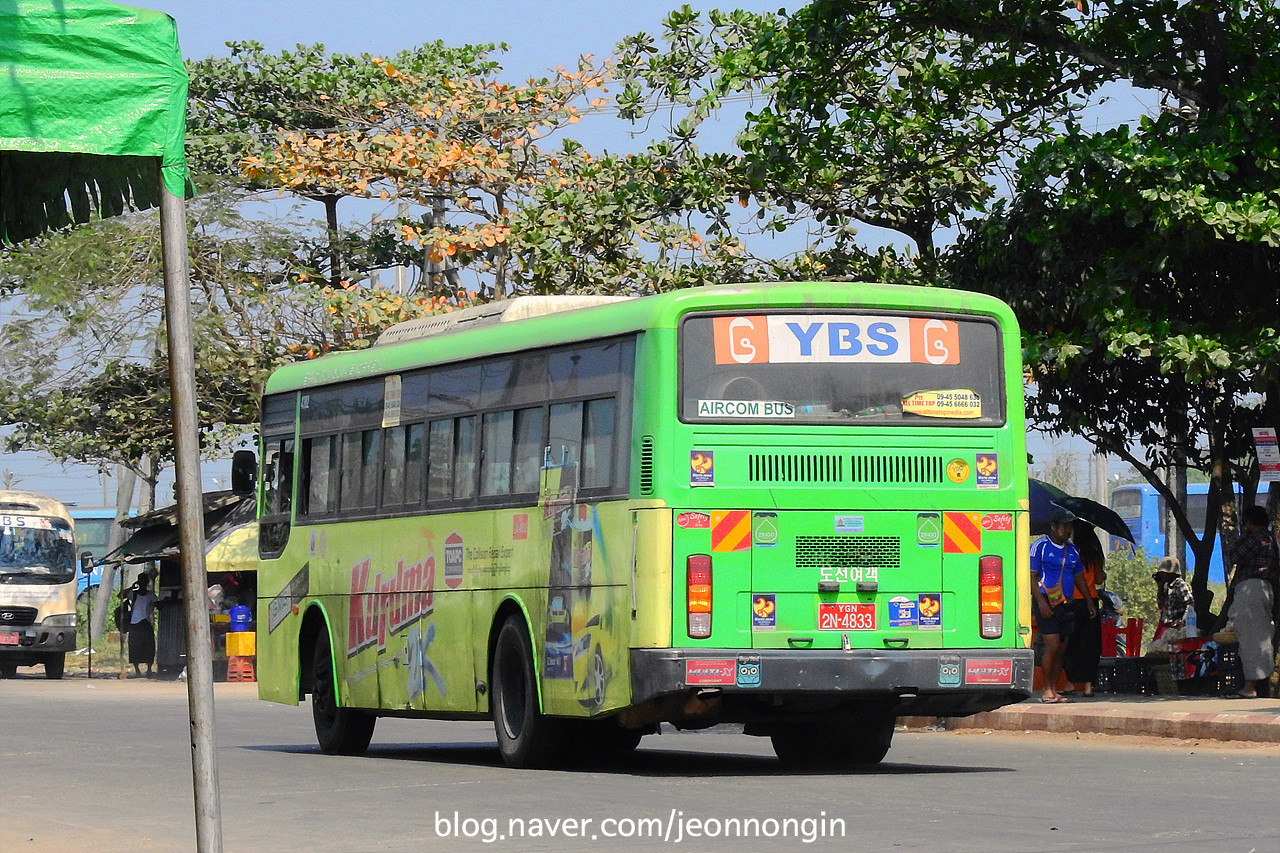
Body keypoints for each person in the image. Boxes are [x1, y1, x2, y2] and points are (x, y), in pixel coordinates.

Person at [1031, 508, 1096, 703]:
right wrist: (1041, 603)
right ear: (1053, 526)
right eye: (1064, 526)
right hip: (1046, 602)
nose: (1067, 530)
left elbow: (1079, 578)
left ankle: (1054, 688)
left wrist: (1089, 601)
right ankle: (1046, 690)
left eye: (1070, 526)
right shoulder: (1039, 547)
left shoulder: (1073, 551)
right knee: (1051, 645)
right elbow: (1032, 577)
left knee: (1061, 648)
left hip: (1067, 604)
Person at [1225, 506, 1278, 699]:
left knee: (1249, 637)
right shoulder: (1271, 538)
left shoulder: (1256, 538)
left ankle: (1250, 685)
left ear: (1250, 523)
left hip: (1251, 590)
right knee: (1259, 634)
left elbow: (1235, 556)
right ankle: (1259, 681)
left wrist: (1242, 537)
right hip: (1263, 589)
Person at [1063, 521, 1106, 697]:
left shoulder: (1071, 553)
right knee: (1091, 644)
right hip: (1092, 602)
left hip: (1073, 601)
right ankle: (1088, 686)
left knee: (1071, 642)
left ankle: (1070, 683)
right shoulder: (1094, 556)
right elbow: (1097, 580)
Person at [123, 572, 158, 678]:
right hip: (134, 623)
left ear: (147, 582)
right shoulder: (133, 593)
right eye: (141, 581)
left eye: (144, 581)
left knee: (149, 646)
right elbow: (120, 595)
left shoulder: (150, 594)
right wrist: (132, 587)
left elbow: (157, 604)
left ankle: (149, 669)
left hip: (146, 623)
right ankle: (137, 669)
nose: (143, 583)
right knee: (135, 647)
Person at [1152, 556, 1194, 640]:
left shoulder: (1179, 584)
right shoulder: (1167, 586)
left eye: (1164, 573)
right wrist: (1160, 587)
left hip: (1175, 626)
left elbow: (1190, 602)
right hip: (1165, 625)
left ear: (1171, 573)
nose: (1163, 575)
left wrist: (1183, 621)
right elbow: (1161, 606)